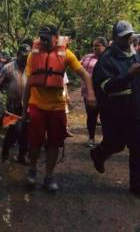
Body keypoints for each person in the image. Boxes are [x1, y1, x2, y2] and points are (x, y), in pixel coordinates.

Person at [22, 25, 96, 191]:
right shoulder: (33, 55)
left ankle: (49, 176)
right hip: (36, 105)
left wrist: (90, 93)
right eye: (42, 39)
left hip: (57, 107)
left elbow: (85, 75)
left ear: (56, 37)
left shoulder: (67, 55)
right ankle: (32, 170)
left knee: (54, 143)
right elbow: (28, 85)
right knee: (35, 142)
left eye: (48, 39)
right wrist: (23, 110)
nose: (45, 42)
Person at [91, 20, 140, 197]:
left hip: (135, 110)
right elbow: (106, 86)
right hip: (115, 113)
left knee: (137, 147)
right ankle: (99, 153)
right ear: (115, 38)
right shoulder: (106, 59)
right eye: (124, 37)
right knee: (117, 144)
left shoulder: (134, 55)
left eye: (130, 36)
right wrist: (128, 74)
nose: (128, 40)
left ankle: (136, 186)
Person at [0, 44, 31, 164]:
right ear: (18, 54)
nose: (25, 59)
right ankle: (5, 155)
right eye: (23, 56)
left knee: (26, 132)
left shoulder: (31, 68)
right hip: (13, 107)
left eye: (28, 57)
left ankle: (22, 156)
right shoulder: (8, 68)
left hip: (28, 107)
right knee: (14, 131)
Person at [80, 37, 108, 147]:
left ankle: (106, 140)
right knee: (91, 117)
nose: (95, 48)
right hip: (88, 94)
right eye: (94, 46)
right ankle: (91, 138)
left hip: (104, 94)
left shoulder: (108, 59)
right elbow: (78, 67)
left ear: (104, 47)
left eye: (97, 46)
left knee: (106, 117)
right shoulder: (87, 57)